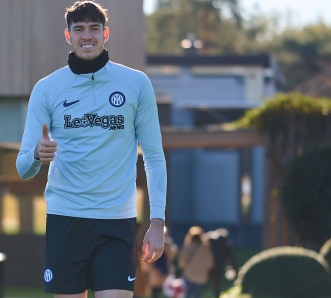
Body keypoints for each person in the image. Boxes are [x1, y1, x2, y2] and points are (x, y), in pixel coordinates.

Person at [15, 1, 167, 298]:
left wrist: (157, 222)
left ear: (105, 34)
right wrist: (37, 154)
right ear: (68, 35)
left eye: (94, 29)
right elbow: (23, 167)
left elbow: (154, 156)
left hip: (117, 220)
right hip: (65, 218)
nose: (87, 36)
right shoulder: (47, 88)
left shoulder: (136, 84)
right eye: (79, 29)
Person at [178, 226, 214, 298]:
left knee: (187, 295)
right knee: (197, 295)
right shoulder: (205, 248)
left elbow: (181, 262)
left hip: (189, 275)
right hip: (201, 277)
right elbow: (210, 263)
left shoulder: (188, 246)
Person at [205, 228, 238, 298]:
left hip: (208, 265)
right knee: (216, 284)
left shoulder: (210, 240)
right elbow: (231, 258)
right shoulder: (225, 243)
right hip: (219, 265)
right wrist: (236, 270)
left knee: (203, 282)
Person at [148, 226, 177, 298]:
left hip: (166, 275)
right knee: (155, 294)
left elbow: (173, 255)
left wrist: (165, 246)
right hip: (155, 274)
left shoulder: (169, 243)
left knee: (168, 294)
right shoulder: (151, 243)